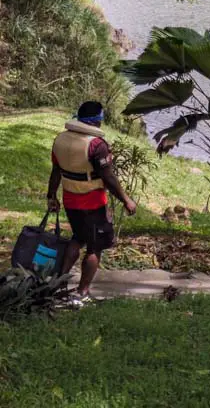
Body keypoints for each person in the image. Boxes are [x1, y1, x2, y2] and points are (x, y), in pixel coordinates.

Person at [46, 101, 136, 305]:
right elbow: (108, 177)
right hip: (93, 202)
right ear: (97, 119)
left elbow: (55, 172)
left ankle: (56, 285)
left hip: (70, 199)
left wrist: (51, 197)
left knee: (77, 238)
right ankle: (82, 292)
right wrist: (126, 200)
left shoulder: (60, 139)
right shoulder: (96, 145)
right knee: (95, 247)